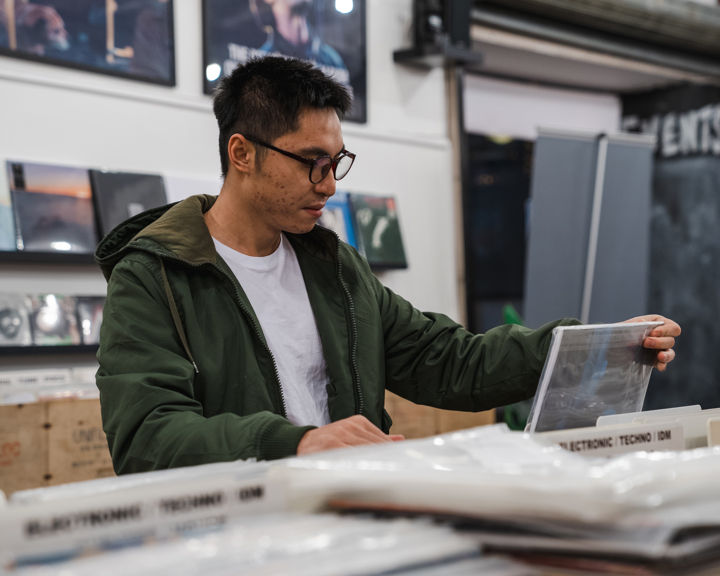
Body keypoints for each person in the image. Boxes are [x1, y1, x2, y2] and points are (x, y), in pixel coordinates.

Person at [95, 56, 680, 474]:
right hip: (239, 542)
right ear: (241, 153)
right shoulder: (154, 277)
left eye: (336, 161)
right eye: (311, 163)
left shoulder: (336, 269)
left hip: (353, 519)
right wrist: (297, 444)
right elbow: (146, 436)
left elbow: (451, 360)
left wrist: (594, 345)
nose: (328, 185)